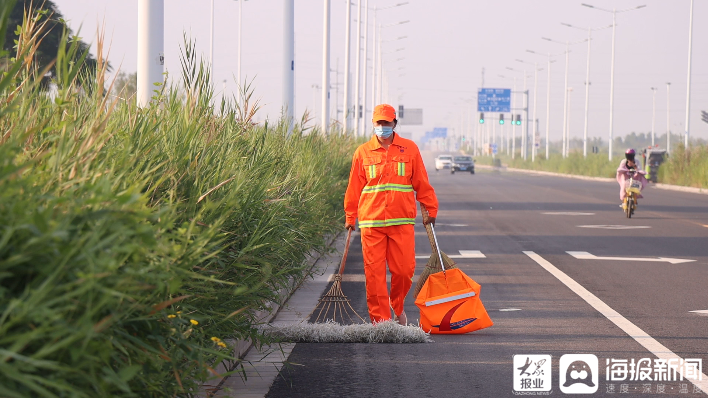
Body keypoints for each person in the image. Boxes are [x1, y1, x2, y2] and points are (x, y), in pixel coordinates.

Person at [344, 104, 438, 325]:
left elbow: (422, 183)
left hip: (401, 222)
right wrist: (350, 216)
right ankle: (381, 323)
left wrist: (430, 209)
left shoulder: (410, 149)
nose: (383, 127)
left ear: (394, 123)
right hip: (371, 223)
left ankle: (397, 306)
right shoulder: (363, 152)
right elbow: (353, 188)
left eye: (387, 123)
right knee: (374, 276)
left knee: (405, 271)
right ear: (373, 124)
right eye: (379, 123)